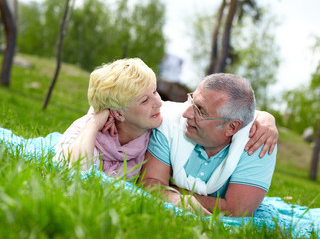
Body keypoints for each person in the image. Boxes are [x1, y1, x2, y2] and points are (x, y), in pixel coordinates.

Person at [54, 58, 277, 180]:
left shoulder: (159, 126)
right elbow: (74, 173)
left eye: (155, 92)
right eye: (144, 100)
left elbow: (223, 111)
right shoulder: (87, 131)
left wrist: (265, 118)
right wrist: (95, 121)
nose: (159, 102)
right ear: (118, 113)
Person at [140, 73, 277, 217]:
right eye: (191, 101)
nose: (186, 113)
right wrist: (176, 199)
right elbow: (150, 183)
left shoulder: (258, 142)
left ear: (231, 128)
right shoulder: (169, 123)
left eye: (199, 111)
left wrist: (172, 192)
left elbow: (237, 210)